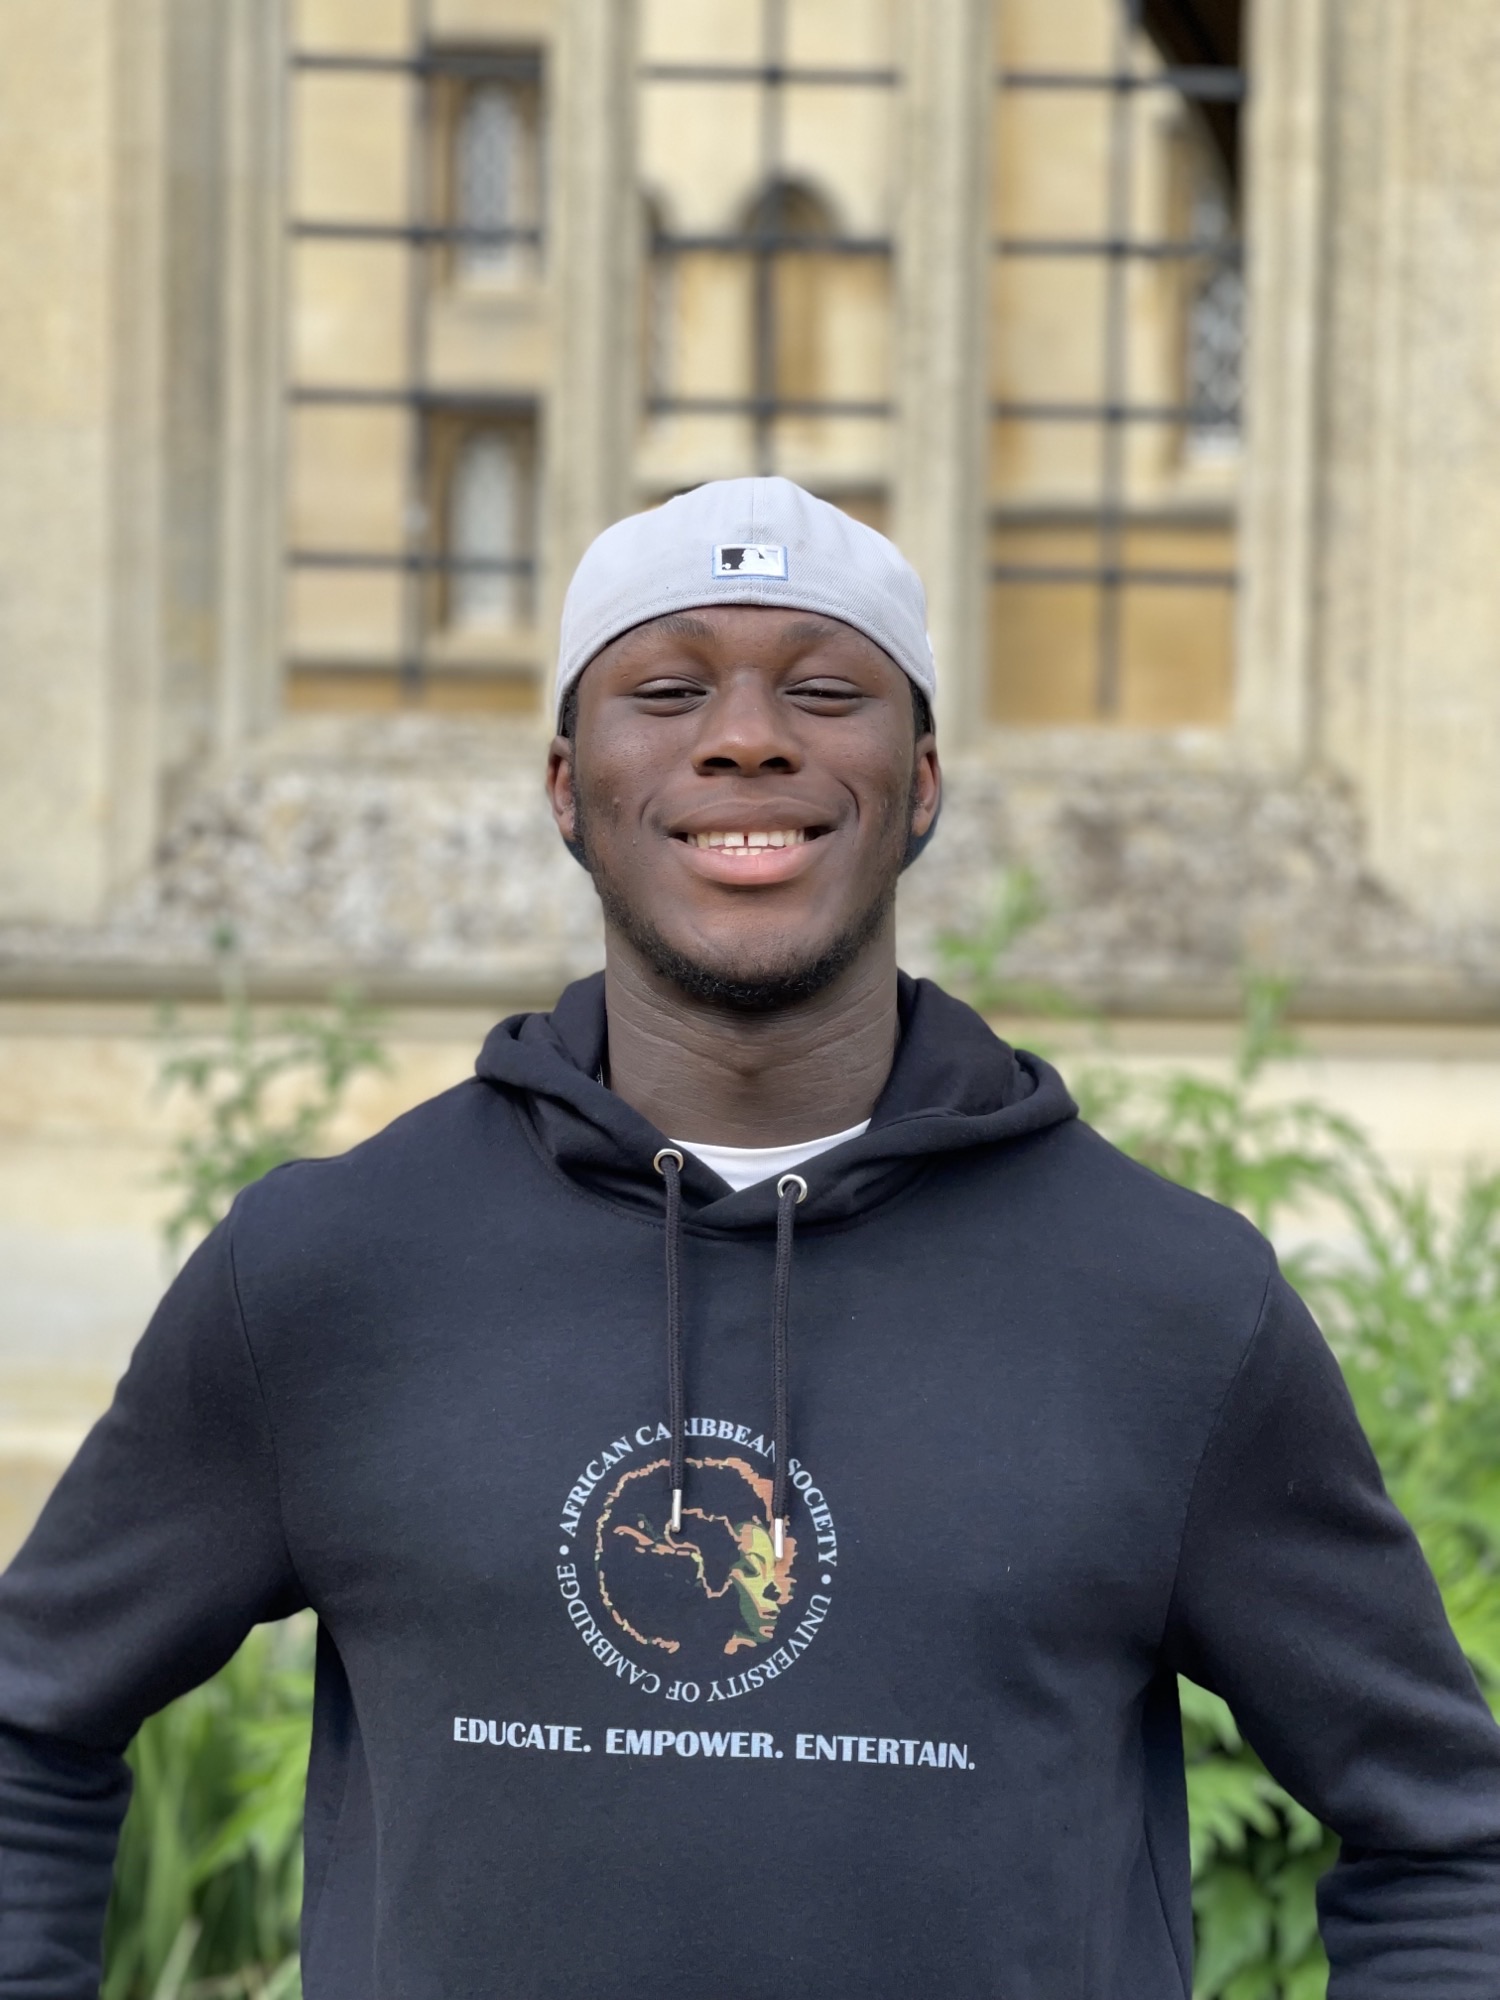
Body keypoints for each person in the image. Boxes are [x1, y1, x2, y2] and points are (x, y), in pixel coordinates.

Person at [1, 477, 1499, 1999]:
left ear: (918, 785)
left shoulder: (1169, 1305)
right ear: (565, 784)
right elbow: (29, 1720)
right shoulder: (327, 1274)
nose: (746, 736)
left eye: (824, 689)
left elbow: (1451, 1833)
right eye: (667, 689)